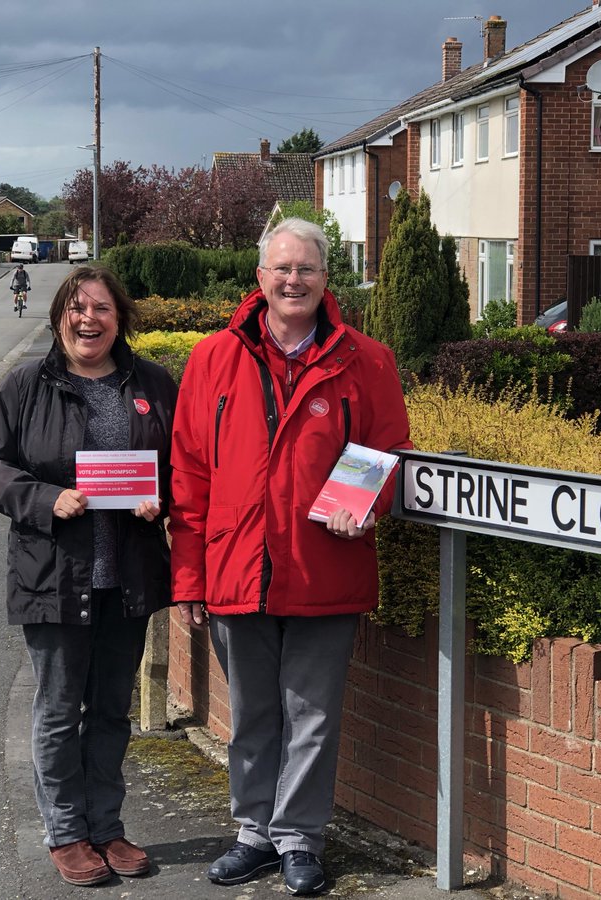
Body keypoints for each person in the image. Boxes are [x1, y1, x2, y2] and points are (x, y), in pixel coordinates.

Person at [168, 217, 412, 896]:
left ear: (326, 278)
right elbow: (189, 475)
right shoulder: (214, 359)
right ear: (261, 277)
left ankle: (300, 838)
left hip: (323, 567)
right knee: (251, 713)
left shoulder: (368, 360)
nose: (293, 280)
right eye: (282, 268)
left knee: (313, 716)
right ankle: (254, 833)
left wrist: (367, 503)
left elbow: (387, 453)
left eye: (306, 268)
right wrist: (187, 578)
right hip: (236, 569)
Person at [0, 265, 178, 887]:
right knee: (59, 711)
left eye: (102, 309)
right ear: (60, 316)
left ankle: (106, 827)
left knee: (112, 710)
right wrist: (44, 498)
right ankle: (66, 833)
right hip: (54, 575)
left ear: (121, 319)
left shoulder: (153, 383)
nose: (89, 320)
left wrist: (162, 499)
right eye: (77, 308)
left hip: (128, 576)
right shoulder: (26, 385)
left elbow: (183, 464)